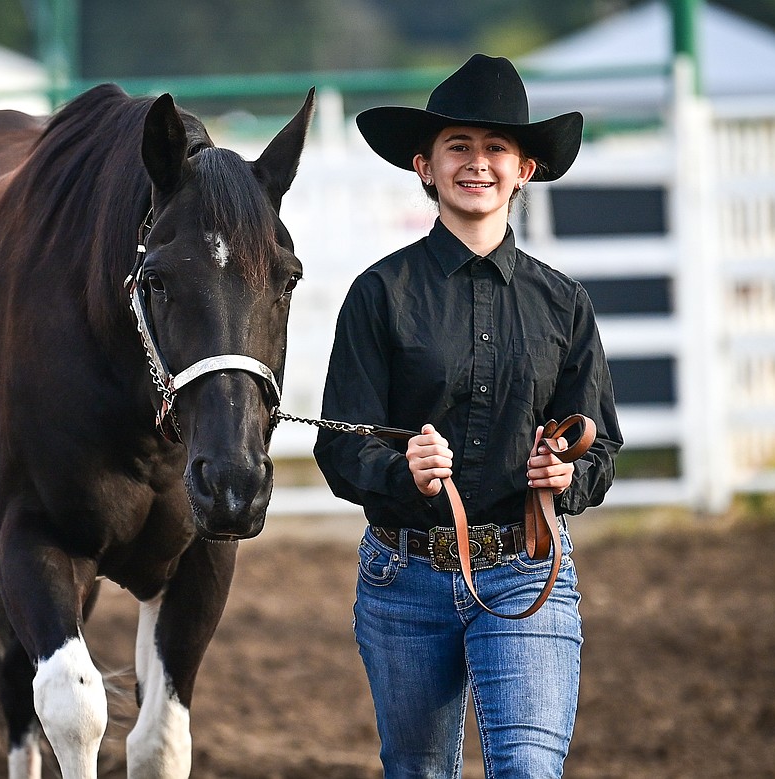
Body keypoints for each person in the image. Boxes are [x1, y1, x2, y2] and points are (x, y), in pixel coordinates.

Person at [314, 54, 623, 778]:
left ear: (526, 170)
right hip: (403, 578)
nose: (476, 163)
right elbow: (340, 444)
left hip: (527, 566)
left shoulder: (564, 305)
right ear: (425, 166)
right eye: (458, 146)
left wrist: (566, 473)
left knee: (526, 769)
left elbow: (600, 444)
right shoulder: (378, 296)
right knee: (417, 771)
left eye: (495, 148)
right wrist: (401, 470)